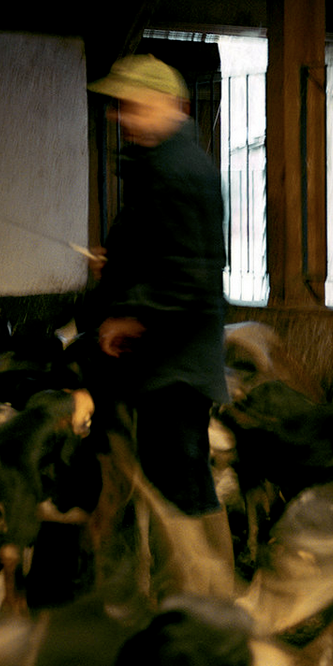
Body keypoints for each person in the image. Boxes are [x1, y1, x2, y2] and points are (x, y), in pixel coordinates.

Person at [81, 54, 233, 591]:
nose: (122, 116)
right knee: (185, 481)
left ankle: (193, 607)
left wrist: (131, 318)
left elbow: (191, 276)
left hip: (175, 364)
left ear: (174, 106)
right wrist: (118, 265)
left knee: (179, 485)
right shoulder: (162, 164)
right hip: (171, 362)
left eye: (133, 105)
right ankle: (209, 600)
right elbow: (167, 256)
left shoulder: (177, 171)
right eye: (119, 106)